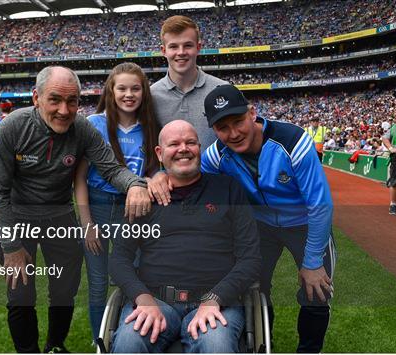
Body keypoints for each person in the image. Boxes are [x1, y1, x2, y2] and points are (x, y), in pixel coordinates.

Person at [0, 66, 151, 353]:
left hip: (59, 218)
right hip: (17, 219)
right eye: (55, 100)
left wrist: (136, 185)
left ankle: (55, 344)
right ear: (36, 98)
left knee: (64, 290)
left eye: (72, 101)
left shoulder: (83, 128)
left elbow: (112, 168)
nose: (64, 110)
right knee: (21, 294)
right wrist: (11, 245)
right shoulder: (12, 127)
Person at [200, 85, 335, 353]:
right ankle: (264, 346)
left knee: (317, 291)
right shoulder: (215, 156)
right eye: (222, 127)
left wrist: (311, 263)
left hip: (305, 223)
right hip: (259, 226)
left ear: (252, 113)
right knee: (255, 290)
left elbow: (320, 205)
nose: (233, 133)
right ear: (213, 130)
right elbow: (199, 190)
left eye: (238, 121)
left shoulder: (293, 141)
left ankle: (309, 350)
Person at [109, 120, 261, 353]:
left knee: (216, 344)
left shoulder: (229, 189)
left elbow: (250, 258)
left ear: (199, 148)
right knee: (130, 341)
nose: (183, 149)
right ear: (160, 153)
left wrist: (214, 299)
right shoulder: (143, 198)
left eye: (190, 142)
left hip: (216, 300)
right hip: (155, 299)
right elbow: (119, 259)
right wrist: (143, 299)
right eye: (174, 144)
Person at [73, 62, 160, 343]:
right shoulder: (93, 124)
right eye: (121, 88)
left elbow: (152, 172)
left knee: (133, 276)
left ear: (144, 92)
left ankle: (129, 335)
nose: (128, 94)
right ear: (110, 91)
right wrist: (86, 224)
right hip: (97, 207)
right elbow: (80, 179)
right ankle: (100, 339)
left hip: (134, 210)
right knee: (98, 281)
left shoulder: (150, 127)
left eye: (135, 88)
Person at [151, 15, 227, 150]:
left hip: (217, 171)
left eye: (188, 45)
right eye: (173, 46)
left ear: (198, 47)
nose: (181, 52)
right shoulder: (151, 96)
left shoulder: (222, 89)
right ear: (164, 51)